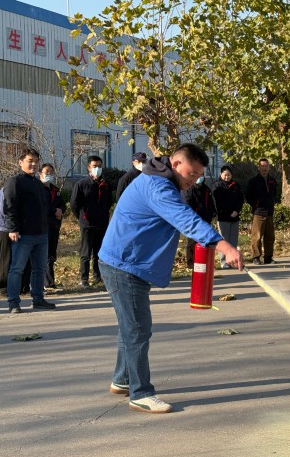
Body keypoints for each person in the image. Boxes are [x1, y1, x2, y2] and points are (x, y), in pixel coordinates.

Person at [98, 143, 243, 414]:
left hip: (128, 262)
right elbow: (185, 219)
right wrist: (223, 246)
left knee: (131, 326)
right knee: (137, 328)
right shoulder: (158, 186)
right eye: (191, 173)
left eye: (199, 174)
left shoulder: (161, 180)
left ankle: (123, 379)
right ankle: (141, 393)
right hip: (124, 265)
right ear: (176, 164)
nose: (194, 179)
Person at [2, 147, 56, 313]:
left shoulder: (38, 184)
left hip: (41, 234)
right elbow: (9, 207)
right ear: (20, 162)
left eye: (36, 161)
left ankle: (38, 299)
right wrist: (13, 229)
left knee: (39, 269)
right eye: (29, 161)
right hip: (23, 235)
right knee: (17, 269)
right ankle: (13, 302)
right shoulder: (15, 182)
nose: (33, 164)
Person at [70, 155, 112, 287]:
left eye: (99, 166)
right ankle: (84, 279)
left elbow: (109, 202)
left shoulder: (105, 185)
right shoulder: (82, 184)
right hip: (87, 224)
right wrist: (82, 217)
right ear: (89, 167)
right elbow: (74, 204)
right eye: (94, 166)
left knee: (99, 253)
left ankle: (98, 276)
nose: (97, 168)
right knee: (86, 253)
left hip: (102, 223)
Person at [0, 187, 31, 297]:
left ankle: (23, 287)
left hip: (22, 229)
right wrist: (12, 227)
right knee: (5, 260)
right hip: (5, 229)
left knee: (24, 259)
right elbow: (5, 210)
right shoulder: (6, 190)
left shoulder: (23, 189)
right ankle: (4, 288)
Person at [246, 158, 277, 265]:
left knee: (270, 236)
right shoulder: (253, 181)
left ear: (269, 167)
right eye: (262, 166)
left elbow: (274, 194)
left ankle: (268, 257)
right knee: (257, 236)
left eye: (266, 166)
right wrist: (256, 205)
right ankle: (256, 257)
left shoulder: (272, 180)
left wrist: (271, 204)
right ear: (258, 167)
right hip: (258, 212)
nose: (264, 168)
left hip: (269, 212)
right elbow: (248, 196)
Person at [39, 163, 66, 290]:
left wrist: (60, 210)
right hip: (42, 226)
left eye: (51, 172)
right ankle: (44, 283)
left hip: (54, 226)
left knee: (51, 255)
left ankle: (50, 282)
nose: (49, 174)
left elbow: (62, 204)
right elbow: (42, 205)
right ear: (40, 173)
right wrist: (54, 210)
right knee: (43, 255)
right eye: (46, 172)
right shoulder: (37, 188)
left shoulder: (55, 189)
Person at [212, 165, 244, 269]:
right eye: (225, 175)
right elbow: (217, 202)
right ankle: (223, 261)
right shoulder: (217, 186)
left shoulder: (236, 185)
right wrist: (226, 212)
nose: (227, 177)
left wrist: (236, 211)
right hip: (223, 217)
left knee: (233, 240)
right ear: (221, 174)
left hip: (235, 217)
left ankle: (233, 261)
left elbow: (240, 199)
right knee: (224, 239)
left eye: (229, 175)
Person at [182, 174, 216, 268]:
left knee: (204, 241)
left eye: (202, 176)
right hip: (194, 218)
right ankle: (191, 262)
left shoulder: (206, 189)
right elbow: (187, 202)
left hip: (206, 218)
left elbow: (210, 203)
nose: (200, 178)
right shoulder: (190, 188)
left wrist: (211, 213)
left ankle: (203, 260)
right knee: (192, 241)